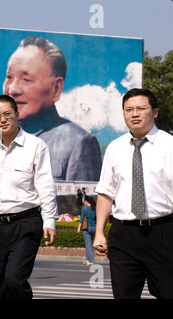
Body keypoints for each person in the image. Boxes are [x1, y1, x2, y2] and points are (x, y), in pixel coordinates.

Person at [0, 95, 57, 299]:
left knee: (14, 279)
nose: (3, 120)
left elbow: (45, 186)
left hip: (27, 223)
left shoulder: (36, 146)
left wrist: (49, 220)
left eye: (7, 114)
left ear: (17, 114)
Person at [93, 88, 173, 299]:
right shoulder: (114, 148)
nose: (134, 114)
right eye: (128, 109)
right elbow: (105, 192)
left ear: (155, 112)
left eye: (141, 108)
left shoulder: (170, 145)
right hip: (123, 235)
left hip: (163, 231)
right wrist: (99, 232)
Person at [2, 36, 101, 181]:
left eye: (26, 79)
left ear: (56, 88)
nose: (13, 89)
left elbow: (83, 202)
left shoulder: (79, 143)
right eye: (9, 77)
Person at [77, 196, 96, 265]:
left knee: (88, 244)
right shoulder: (95, 208)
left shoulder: (84, 208)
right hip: (94, 227)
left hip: (86, 228)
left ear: (86, 201)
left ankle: (92, 260)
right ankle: (87, 259)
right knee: (89, 243)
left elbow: (81, 219)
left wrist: (79, 228)